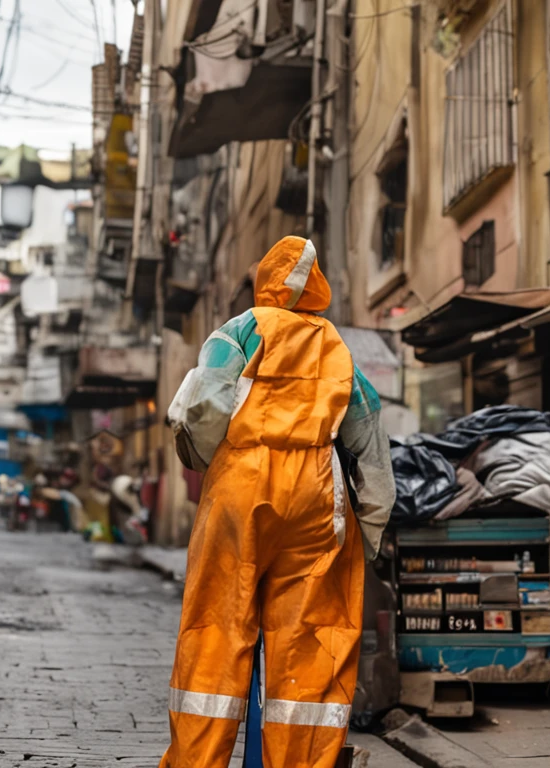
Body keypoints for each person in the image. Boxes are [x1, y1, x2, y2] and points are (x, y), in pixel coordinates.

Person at [160, 236, 395, 768]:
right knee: (312, 639)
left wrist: (199, 457)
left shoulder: (239, 330)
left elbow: (203, 406)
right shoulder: (335, 347)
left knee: (216, 629)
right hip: (316, 493)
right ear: (316, 289)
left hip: (241, 488)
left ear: (263, 282)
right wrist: (373, 529)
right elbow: (368, 441)